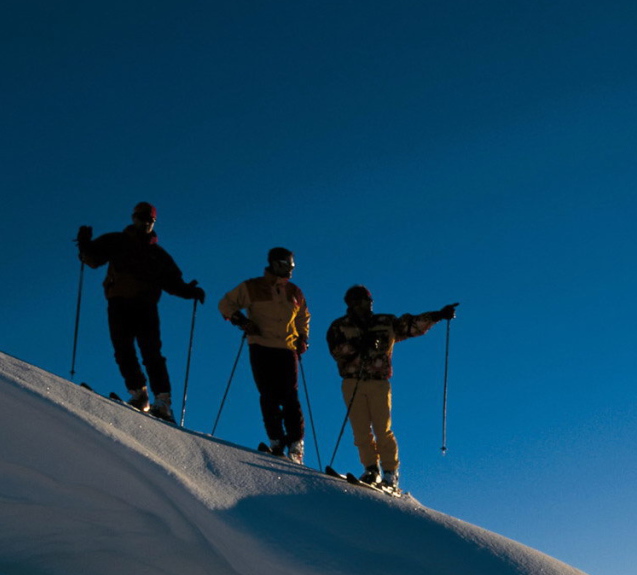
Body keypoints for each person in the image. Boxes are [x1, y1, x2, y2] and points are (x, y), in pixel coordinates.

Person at [75, 201, 205, 421]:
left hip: (141, 304)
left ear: (153, 222)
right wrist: (85, 245)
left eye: (149, 220)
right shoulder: (122, 242)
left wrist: (188, 291)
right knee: (126, 349)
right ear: (134, 218)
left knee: (148, 352)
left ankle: (158, 400)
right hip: (122, 302)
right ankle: (143, 395)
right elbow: (93, 258)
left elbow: (172, 282)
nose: (145, 223)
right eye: (142, 218)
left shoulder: (155, 253)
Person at [326, 286, 457, 489]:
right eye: (364, 300)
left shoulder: (385, 322)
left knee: (382, 429)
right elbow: (337, 351)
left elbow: (412, 325)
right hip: (353, 381)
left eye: (370, 300)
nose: (370, 303)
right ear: (352, 303)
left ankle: (390, 473)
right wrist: (361, 344)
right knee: (361, 430)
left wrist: (438, 315)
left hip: (378, 382)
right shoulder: (339, 326)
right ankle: (371, 469)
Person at [218, 248, 310, 463]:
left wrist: (303, 337)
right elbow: (225, 304)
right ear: (275, 264)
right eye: (286, 265)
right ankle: (276, 440)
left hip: (287, 348)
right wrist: (241, 321)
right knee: (268, 395)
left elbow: (303, 317)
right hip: (261, 345)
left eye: (292, 266)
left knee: (289, 395)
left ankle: (295, 443)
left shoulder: (294, 291)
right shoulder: (253, 287)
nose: (290, 269)